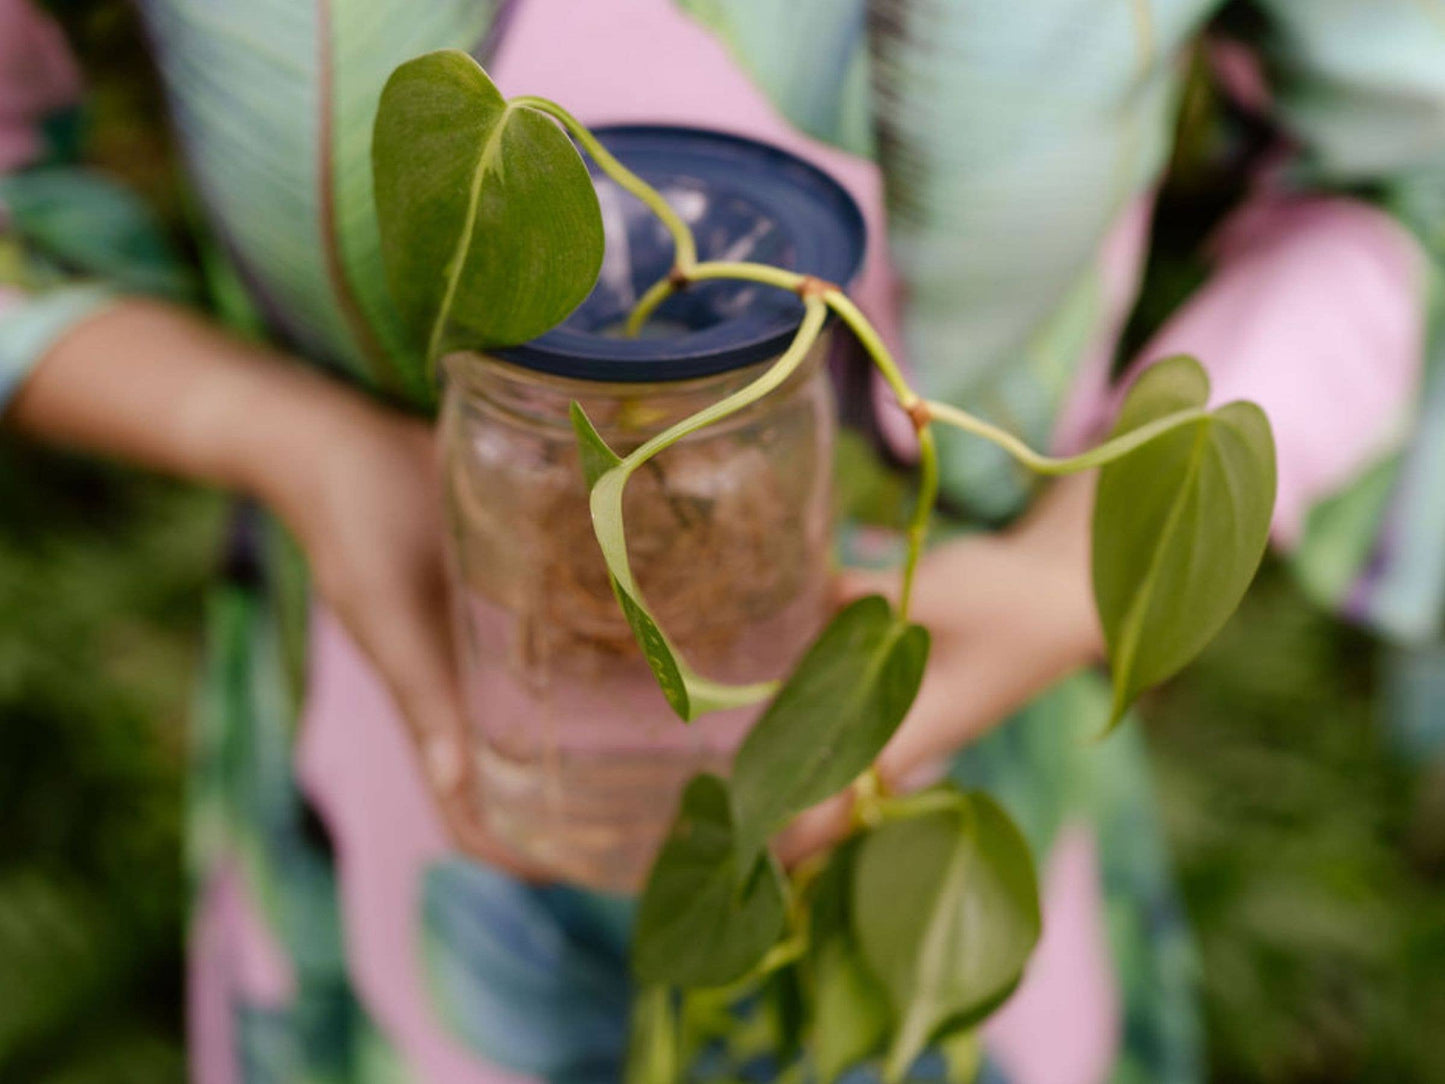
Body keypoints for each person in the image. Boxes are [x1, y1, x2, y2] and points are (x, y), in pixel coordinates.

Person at [3, 0, 1443, 1080]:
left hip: (953, 776)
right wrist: (294, 441)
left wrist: (1067, 585)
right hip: (394, 772)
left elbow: (1408, 178)